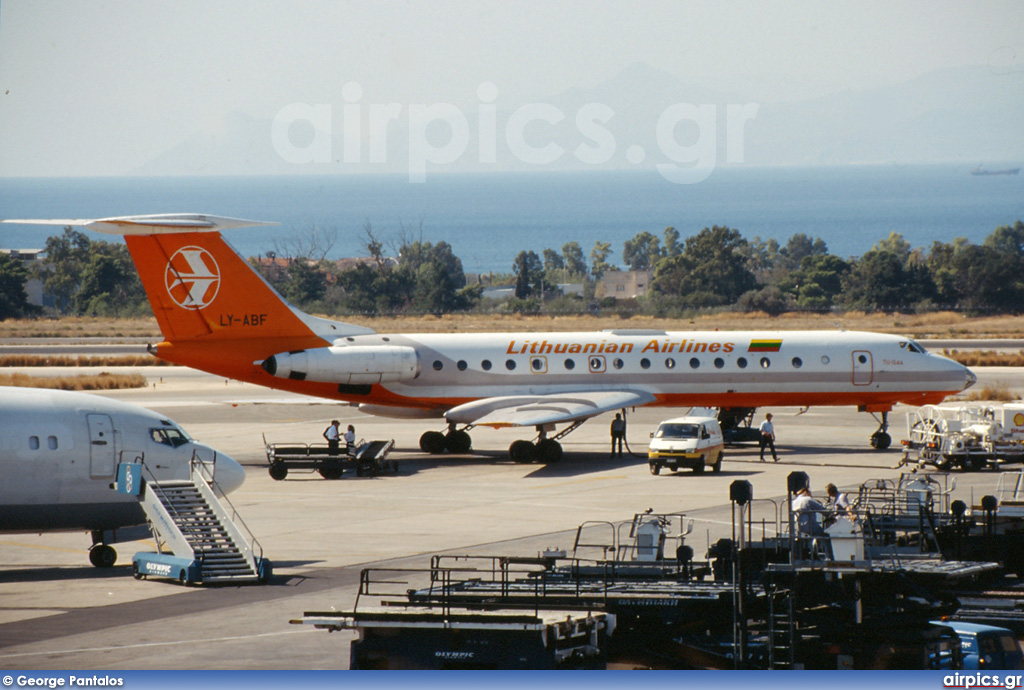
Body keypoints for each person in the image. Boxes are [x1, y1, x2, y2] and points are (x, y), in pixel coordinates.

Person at [792, 480, 832, 559]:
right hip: (809, 526)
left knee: (816, 535)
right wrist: (830, 514)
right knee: (825, 536)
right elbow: (822, 510)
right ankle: (829, 557)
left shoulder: (794, 501)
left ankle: (814, 553)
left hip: (798, 527)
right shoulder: (808, 500)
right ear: (806, 492)